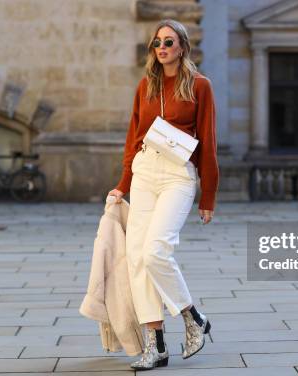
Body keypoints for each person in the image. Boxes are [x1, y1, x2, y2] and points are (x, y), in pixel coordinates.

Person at [107, 19, 219, 370]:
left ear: (183, 47)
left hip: (177, 176)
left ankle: (193, 316)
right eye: (156, 43)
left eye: (169, 42)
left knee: (156, 251)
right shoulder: (145, 86)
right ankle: (155, 345)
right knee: (138, 257)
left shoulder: (200, 86)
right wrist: (122, 184)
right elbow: (133, 138)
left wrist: (208, 196)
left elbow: (209, 143)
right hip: (144, 172)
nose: (162, 48)